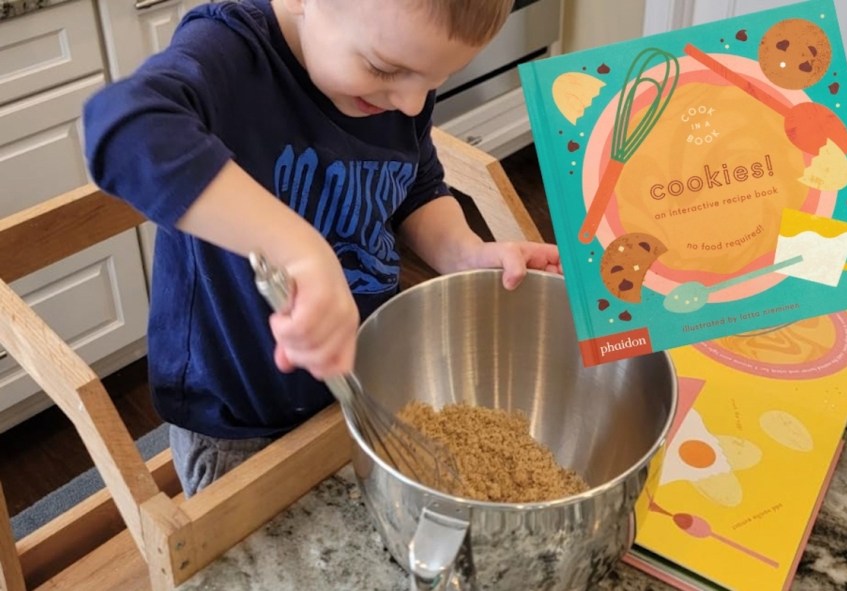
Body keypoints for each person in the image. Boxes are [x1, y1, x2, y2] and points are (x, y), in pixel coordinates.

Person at [83, 0, 561, 497]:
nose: (413, 103)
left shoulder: (396, 81)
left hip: (361, 391)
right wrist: (298, 250)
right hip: (243, 424)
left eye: (435, 79)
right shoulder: (230, 53)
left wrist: (463, 252)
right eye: (384, 68)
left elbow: (413, 184)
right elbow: (123, 127)